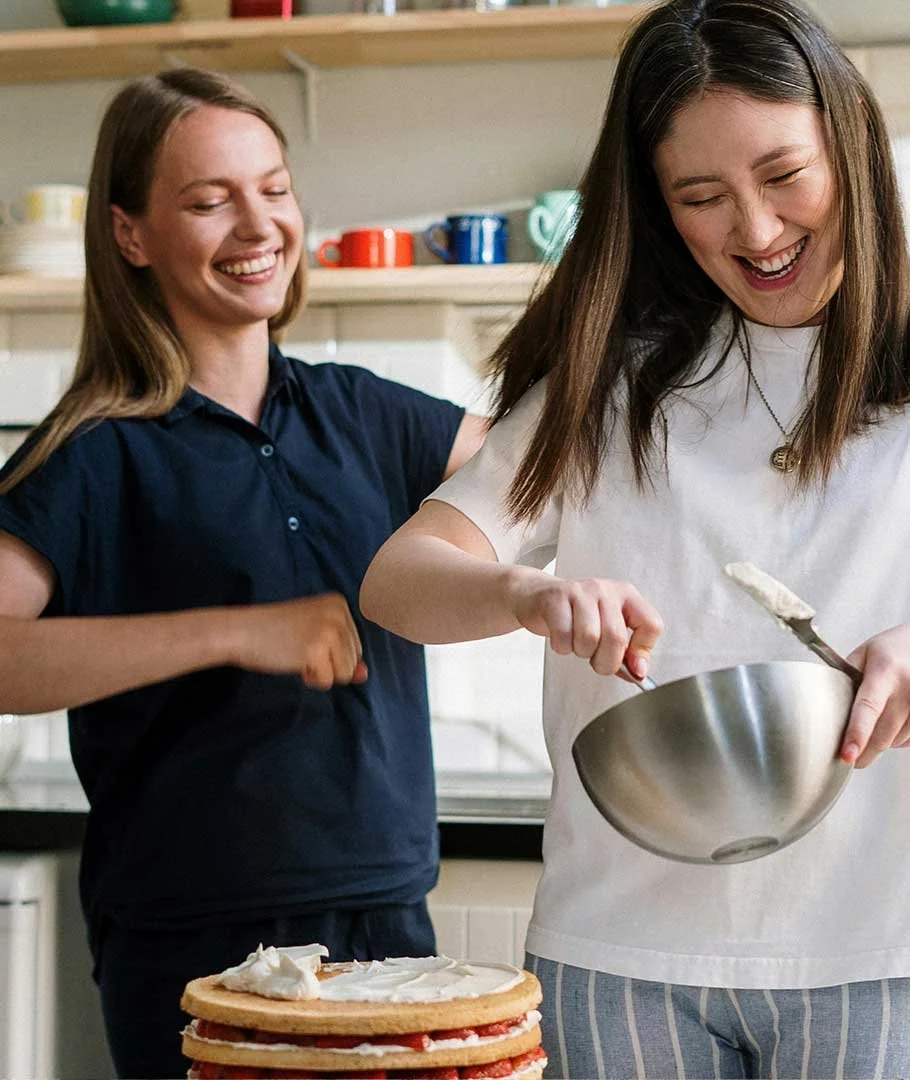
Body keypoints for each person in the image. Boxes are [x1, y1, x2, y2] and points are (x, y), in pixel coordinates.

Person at [360, 0, 910, 1076]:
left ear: (851, 144)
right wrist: (520, 592)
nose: (753, 232)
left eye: (784, 176)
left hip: (879, 946)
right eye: (701, 197)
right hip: (618, 954)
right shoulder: (612, 387)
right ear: (657, 209)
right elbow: (397, 582)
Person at [0, 68, 486, 1078]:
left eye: (273, 188)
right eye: (209, 201)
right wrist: (237, 629)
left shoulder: (367, 414)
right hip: (193, 940)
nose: (257, 225)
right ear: (131, 233)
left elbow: (558, 471)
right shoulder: (91, 453)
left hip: (385, 914)